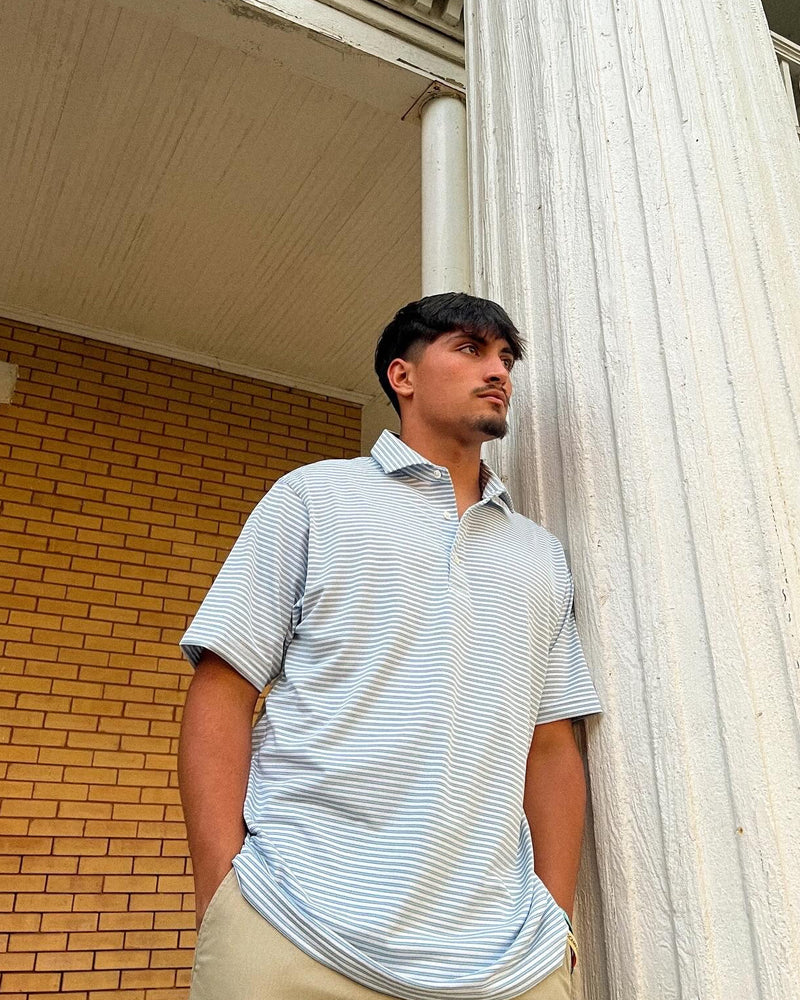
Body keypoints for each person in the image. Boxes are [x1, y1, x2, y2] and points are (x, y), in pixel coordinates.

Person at [178, 292, 602, 1000]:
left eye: (506, 357)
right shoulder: (315, 498)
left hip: (504, 964)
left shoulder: (540, 556)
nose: (498, 370)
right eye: (470, 349)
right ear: (401, 377)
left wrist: (556, 919)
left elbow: (552, 746)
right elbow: (223, 690)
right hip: (293, 931)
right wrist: (223, 892)